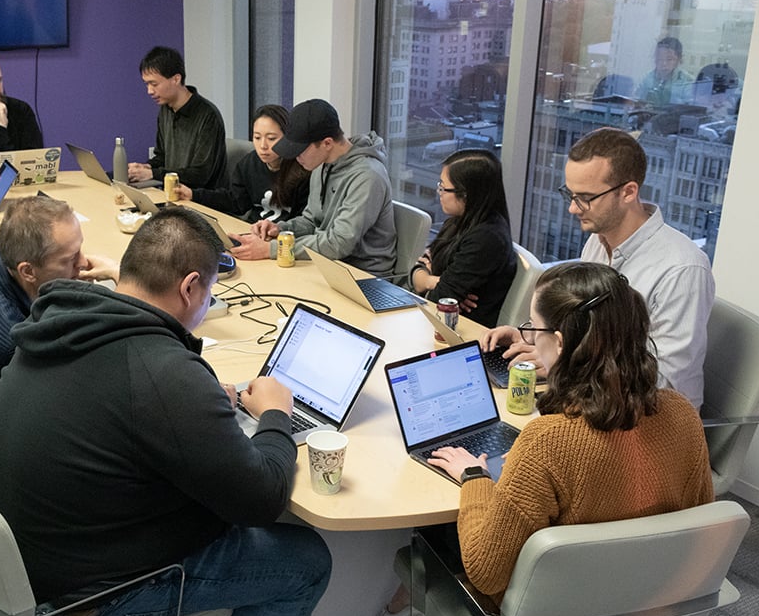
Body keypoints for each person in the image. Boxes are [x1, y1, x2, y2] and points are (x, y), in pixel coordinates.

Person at [0, 208, 331, 616]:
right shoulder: (161, 372)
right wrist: (275, 415)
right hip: (92, 595)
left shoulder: (61, 323)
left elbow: (124, 402)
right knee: (306, 561)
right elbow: (262, 499)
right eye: (209, 292)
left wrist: (196, 398)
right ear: (190, 287)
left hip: (33, 562)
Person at [373, 263, 714, 616]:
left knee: (438, 528)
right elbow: (699, 524)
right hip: (651, 607)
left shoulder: (547, 442)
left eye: (533, 329)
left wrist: (474, 478)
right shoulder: (682, 414)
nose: (529, 340)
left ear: (562, 343)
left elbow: (487, 573)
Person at [483, 127, 713, 408]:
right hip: (594, 401)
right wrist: (533, 336)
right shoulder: (596, 241)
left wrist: (559, 365)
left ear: (628, 192)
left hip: (647, 422)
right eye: (570, 194)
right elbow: (585, 330)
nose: (573, 208)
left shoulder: (682, 268)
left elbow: (665, 382)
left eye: (586, 198)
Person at [0, 195, 119, 419]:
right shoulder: (20, 343)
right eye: (70, 258)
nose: (83, 263)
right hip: (21, 427)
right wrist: (117, 273)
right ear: (27, 271)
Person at [234, 98, 397, 277]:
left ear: (327, 143)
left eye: (300, 150)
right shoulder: (322, 165)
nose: (296, 158)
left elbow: (339, 243)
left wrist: (273, 249)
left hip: (364, 275)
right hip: (329, 264)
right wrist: (280, 229)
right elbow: (311, 221)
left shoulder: (368, 176)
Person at [410, 149, 516, 327]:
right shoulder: (457, 222)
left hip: (463, 330)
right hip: (437, 322)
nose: (439, 193)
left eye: (444, 188)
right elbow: (414, 273)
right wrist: (432, 280)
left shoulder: (487, 238)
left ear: (466, 194)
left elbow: (438, 300)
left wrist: (431, 279)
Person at [176, 104, 310, 223]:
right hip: (252, 230)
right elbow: (235, 201)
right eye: (257, 137)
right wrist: (193, 194)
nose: (263, 145)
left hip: (285, 239)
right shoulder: (248, 164)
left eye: (271, 138)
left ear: (287, 137)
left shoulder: (303, 167)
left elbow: (305, 220)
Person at [127, 46, 227, 190]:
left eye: (154, 84)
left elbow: (200, 175)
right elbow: (162, 158)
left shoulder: (208, 116)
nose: (149, 91)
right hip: (172, 195)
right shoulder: (166, 109)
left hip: (199, 201)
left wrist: (152, 174)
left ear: (176, 79)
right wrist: (146, 167)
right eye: (147, 84)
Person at [636, 37, 695, 108]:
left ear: (678, 59)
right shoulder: (648, 78)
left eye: (669, 59)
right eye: (660, 59)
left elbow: (689, 110)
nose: (664, 63)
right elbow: (636, 102)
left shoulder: (688, 82)